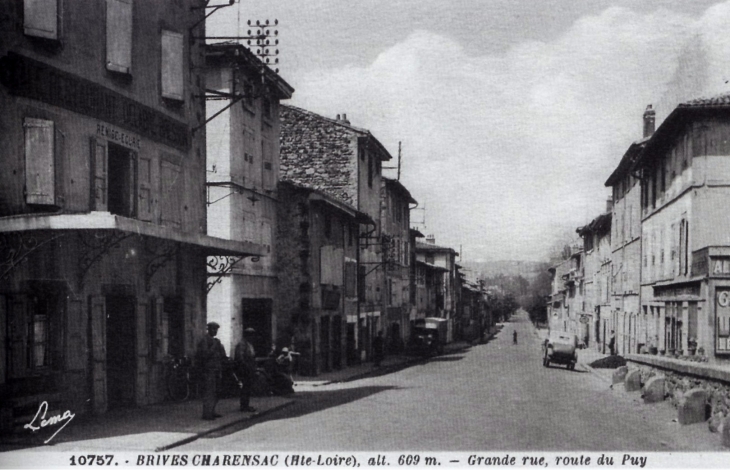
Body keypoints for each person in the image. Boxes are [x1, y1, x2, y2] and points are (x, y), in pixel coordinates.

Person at [195, 322, 227, 420]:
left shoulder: (216, 341)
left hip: (217, 369)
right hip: (208, 370)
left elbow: (222, 355)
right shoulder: (205, 340)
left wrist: (220, 347)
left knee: (217, 392)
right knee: (209, 392)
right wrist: (214, 346)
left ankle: (212, 411)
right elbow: (204, 355)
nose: (215, 331)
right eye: (213, 329)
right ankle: (207, 414)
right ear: (208, 329)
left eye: (216, 329)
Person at [234, 327, 258, 413]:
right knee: (245, 387)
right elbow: (240, 357)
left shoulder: (249, 344)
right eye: (251, 335)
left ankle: (246, 405)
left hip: (249, 368)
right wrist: (246, 366)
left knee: (248, 387)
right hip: (244, 369)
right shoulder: (242, 344)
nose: (252, 337)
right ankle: (244, 406)